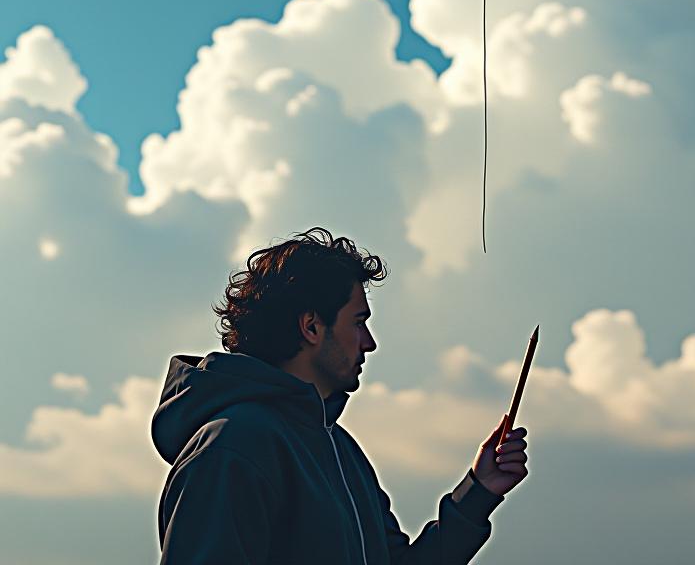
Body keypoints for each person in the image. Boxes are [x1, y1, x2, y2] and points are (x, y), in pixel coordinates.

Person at [151, 227, 529, 564]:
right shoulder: (233, 447)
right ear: (311, 326)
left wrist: (478, 492)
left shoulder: (338, 447)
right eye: (359, 321)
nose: (370, 343)